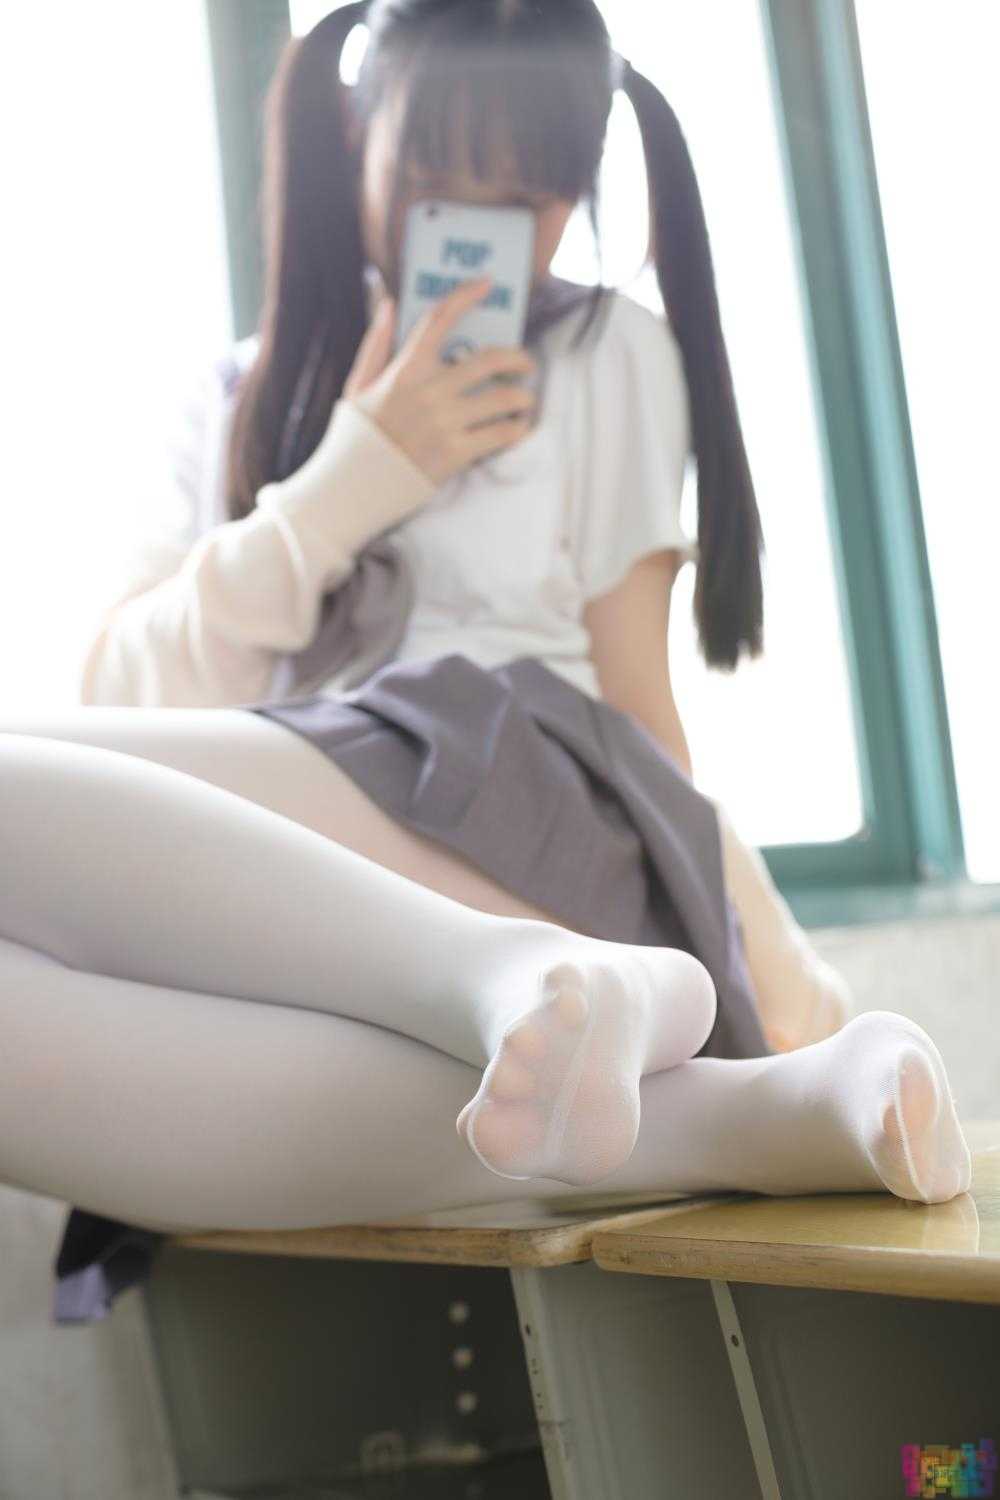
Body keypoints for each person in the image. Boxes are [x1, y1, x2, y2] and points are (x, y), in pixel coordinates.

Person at [0, 0, 969, 1325]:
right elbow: (123, 712)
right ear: (357, 138)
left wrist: (764, 960)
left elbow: (638, 715)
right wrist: (350, 479)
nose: (471, 231)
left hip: (531, 798)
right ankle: (746, 1116)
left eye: (522, 202)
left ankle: (519, 973)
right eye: (433, 181)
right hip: (296, 896)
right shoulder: (240, 395)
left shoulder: (601, 354)